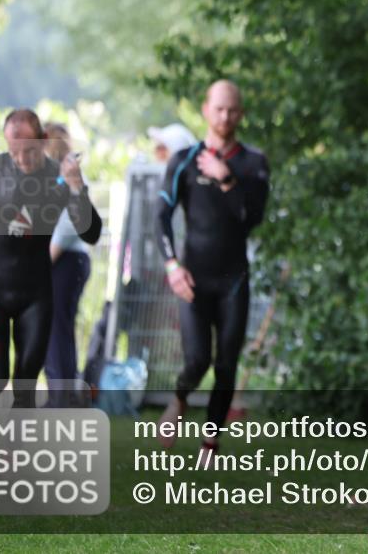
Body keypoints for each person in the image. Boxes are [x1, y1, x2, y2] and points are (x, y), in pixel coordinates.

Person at [0, 109, 102, 455]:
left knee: (25, 385)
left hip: (36, 293)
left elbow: (91, 233)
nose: (21, 159)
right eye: (14, 150)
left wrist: (78, 188)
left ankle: (16, 457)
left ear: (43, 141)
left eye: (29, 150)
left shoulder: (59, 177)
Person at [155, 79, 269, 465]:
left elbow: (251, 218)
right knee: (197, 359)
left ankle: (210, 441)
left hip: (233, 280)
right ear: (205, 109)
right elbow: (161, 216)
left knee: (226, 364)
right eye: (218, 108)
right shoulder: (184, 160)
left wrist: (225, 178)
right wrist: (172, 265)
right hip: (194, 279)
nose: (225, 116)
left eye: (232, 110)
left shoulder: (253, 163)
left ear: (241, 114)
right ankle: (179, 398)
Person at [42, 123, 92, 407]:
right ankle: (64, 394)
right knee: (57, 327)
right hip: (65, 260)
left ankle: (61, 397)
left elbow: (68, 226)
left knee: (56, 328)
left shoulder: (70, 176)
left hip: (65, 260)